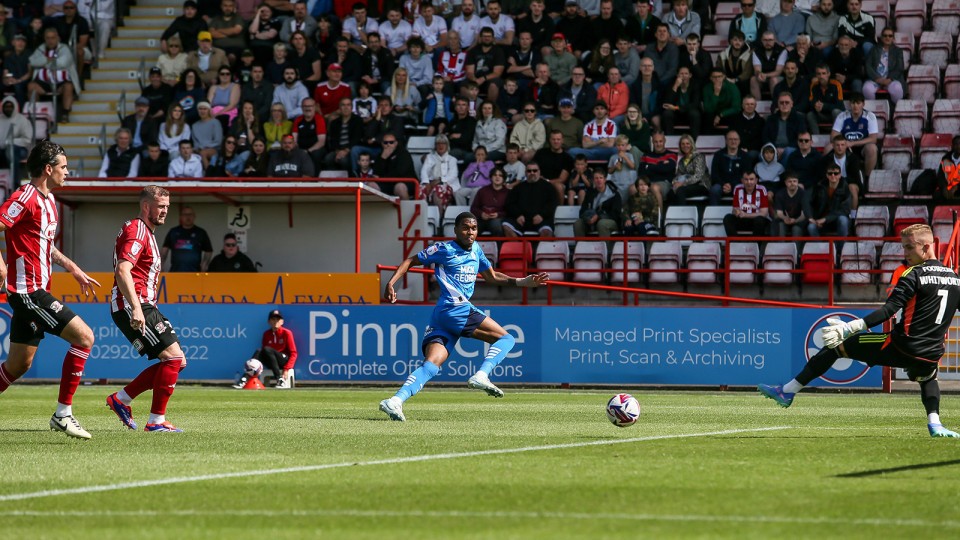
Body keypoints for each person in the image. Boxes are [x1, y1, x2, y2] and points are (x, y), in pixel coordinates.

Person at [759, 224, 960, 438]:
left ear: (927, 246)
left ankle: (787, 391)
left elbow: (888, 310)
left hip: (902, 345)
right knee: (928, 376)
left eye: (909, 247)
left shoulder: (913, 274)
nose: (905, 253)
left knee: (837, 347)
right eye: (903, 247)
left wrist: (849, 327)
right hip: (931, 352)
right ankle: (935, 424)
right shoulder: (955, 278)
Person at [379, 212, 549, 421]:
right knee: (506, 339)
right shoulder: (444, 249)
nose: (470, 232)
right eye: (466, 228)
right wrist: (391, 283)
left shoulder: (476, 250)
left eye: (474, 228)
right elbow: (410, 260)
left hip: (443, 316)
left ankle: (395, 401)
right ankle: (482, 375)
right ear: (456, 230)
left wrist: (522, 281)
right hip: (455, 308)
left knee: (431, 365)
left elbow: (492, 276)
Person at [0, 140, 100, 440]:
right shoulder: (25, 197)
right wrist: (2, 266)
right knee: (84, 337)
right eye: (64, 167)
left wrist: (72, 267)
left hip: (35, 289)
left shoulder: (49, 201)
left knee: (18, 365)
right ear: (48, 169)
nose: (67, 172)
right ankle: (63, 415)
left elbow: (45, 245)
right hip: (27, 291)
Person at [103, 186, 188, 433]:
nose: (165, 211)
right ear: (146, 206)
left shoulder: (146, 232)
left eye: (167, 207)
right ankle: (155, 421)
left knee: (177, 361)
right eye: (160, 206)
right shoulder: (137, 230)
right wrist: (137, 308)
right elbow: (123, 270)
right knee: (173, 358)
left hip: (142, 304)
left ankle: (122, 399)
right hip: (134, 304)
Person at [236, 309, 298, 389]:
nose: (275, 321)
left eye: (278, 319)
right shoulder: (266, 334)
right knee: (259, 351)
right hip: (271, 362)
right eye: (273, 319)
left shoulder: (287, 333)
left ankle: (280, 380)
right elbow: (264, 352)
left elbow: (293, 353)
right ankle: (244, 379)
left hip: (283, 360)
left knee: (267, 349)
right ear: (269, 322)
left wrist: (286, 369)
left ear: (282, 322)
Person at [28, 27, 79, 123]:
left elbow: (63, 62)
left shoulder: (64, 48)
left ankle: (65, 114)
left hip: (61, 82)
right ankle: (36, 113)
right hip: (43, 83)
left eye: (53, 38)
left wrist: (44, 62)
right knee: (31, 86)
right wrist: (48, 60)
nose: (50, 41)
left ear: (57, 38)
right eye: (48, 38)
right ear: (44, 39)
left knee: (68, 86)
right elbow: (32, 61)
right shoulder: (41, 48)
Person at [830, 92, 879, 178]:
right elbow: (833, 137)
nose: (855, 106)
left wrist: (853, 143)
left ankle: (867, 178)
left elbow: (873, 139)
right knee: (829, 147)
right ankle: (833, 175)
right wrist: (844, 143)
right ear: (850, 104)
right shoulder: (842, 116)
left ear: (863, 104)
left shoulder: (870, 116)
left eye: (858, 103)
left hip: (862, 148)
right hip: (845, 146)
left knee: (872, 148)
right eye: (853, 103)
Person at [503, 162, 557, 237]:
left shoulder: (548, 187)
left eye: (535, 170)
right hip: (521, 219)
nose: (532, 173)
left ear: (539, 172)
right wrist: (518, 215)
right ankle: (517, 245)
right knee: (506, 226)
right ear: (525, 172)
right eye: (529, 171)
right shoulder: (518, 187)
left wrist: (542, 215)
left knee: (546, 232)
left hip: (542, 219)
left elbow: (552, 203)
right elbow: (510, 204)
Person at [161, 205, 213, 272]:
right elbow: (164, 251)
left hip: (195, 273)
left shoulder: (201, 232)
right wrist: (161, 265)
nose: (188, 217)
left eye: (190, 214)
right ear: (181, 217)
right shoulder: (173, 232)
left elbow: (208, 251)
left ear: (194, 216)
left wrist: (204, 265)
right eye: (185, 214)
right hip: (175, 272)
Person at [807, 163, 851, 239]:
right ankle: (819, 246)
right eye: (830, 173)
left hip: (836, 220)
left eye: (836, 173)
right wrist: (811, 217)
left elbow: (845, 210)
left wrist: (826, 219)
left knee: (843, 220)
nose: (833, 175)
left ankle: (841, 246)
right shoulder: (819, 186)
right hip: (820, 219)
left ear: (840, 175)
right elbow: (808, 202)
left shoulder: (845, 188)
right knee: (811, 227)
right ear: (827, 175)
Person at [575, 169, 622, 239]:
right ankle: (581, 245)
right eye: (596, 178)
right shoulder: (590, 193)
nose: (598, 180)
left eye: (601, 178)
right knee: (578, 223)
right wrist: (587, 218)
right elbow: (582, 211)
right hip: (591, 221)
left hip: (609, 221)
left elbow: (615, 214)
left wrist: (598, 217)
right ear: (593, 180)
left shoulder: (614, 194)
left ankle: (606, 246)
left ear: (605, 180)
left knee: (602, 224)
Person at [863, 29, 905, 104]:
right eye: (885, 35)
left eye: (890, 36)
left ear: (893, 38)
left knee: (897, 88)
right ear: (881, 38)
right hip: (876, 79)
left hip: (891, 80)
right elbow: (868, 65)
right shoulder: (874, 49)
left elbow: (899, 67)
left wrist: (889, 79)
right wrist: (877, 79)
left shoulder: (898, 51)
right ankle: (872, 109)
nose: (887, 38)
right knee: (867, 89)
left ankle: (896, 108)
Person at [722, 170, 770, 237]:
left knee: (759, 220)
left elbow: (764, 213)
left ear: (756, 180)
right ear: (742, 180)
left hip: (756, 221)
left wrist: (746, 215)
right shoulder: (737, 188)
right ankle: (735, 242)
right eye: (746, 179)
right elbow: (734, 210)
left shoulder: (762, 189)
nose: (749, 182)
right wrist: (736, 212)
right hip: (742, 220)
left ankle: (756, 243)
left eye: (751, 179)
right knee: (727, 218)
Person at [0, 95, 32, 182]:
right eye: (6, 107)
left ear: (14, 107)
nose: (8, 109)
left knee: (12, 152)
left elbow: (27, 139)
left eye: (10, 106)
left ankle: (15, 182)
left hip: (19, 149)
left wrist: (11, 142)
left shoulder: (22, 120)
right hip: (2, 148)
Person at [470, 167, 510, 236]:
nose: (497, 177)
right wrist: (481, 214)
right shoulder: (483, 191)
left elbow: (510, 211)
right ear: (491, 177)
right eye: (495, 175)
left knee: (496, 226)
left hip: (499, 219)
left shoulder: (508, 193)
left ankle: (499, 243)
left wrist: (498, 214)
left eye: (500, 175)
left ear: (504, 178)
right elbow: (473, 208)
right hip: (482, 219)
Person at [773, 172, 811, 237]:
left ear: (798, 182)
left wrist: (795, 220)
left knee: (796, 228)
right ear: (785, 183)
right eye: (789, 181)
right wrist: (785, 218)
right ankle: (780, 243)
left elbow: (804, 214)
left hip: (799, 220)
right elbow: (779, 213)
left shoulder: (804, 194)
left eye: (794, 181)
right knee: (779, 224)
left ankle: (796, 244)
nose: (792, 183)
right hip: (785, 220)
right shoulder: (780, 194)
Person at [936, 135, 960, 200]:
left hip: (958, 187)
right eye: (956, 144)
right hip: (947, 186)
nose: (958, 146)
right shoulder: (946, 158)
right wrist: (944, 187)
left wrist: (956, 187)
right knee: (937, 194)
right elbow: (940, 176)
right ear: (952, 146)